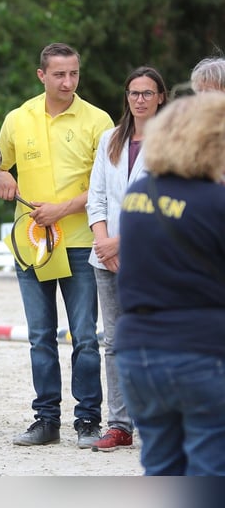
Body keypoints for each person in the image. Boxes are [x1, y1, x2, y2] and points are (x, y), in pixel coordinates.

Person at [0, 42, 113, 449]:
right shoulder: (17, 119)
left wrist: (62, 209)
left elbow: (103, 187)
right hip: (33, 244)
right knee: (39, 336)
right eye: (59, 74)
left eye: (74, 73)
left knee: (85, 337)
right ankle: (46, 420)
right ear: (42, 75)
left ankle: (89, 420)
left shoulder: (98, 120)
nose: (68, 82)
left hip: (79, 242)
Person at [115, 91, 225, 475]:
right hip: (199, 350)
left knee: (160, 470)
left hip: (137, 352)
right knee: (210, 470)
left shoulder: (138, 195)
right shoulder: (216, 201)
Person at [86, 66, 168, 453]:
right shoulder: (109, 140)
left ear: (161, 98)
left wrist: (121, 242)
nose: (140, 100)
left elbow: (164, 203)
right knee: (115, 343)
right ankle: (119, 424)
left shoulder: (172, 142)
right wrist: (103, 243)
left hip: (150, 258)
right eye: (134, 93)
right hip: (107, 259)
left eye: (148, 93)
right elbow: (96, 197)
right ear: (127, 97)